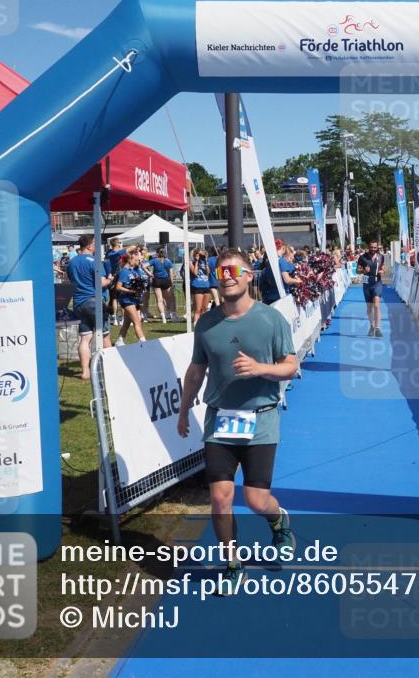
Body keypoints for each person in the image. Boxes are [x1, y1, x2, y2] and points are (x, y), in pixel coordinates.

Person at [176, 249, 298, 595]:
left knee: (258, 501)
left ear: (248, 276)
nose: (225, 276)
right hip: (220, 422)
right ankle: (232, 564)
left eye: (232, 270)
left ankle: (279, 521)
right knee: (220, 498)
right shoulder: (207, 323)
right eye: (220, 271)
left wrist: (261, 369)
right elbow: (196, 370)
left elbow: (291, 366)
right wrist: (185, 410)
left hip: (261, 419)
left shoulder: (270, 320)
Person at [67, 234, 113, 379]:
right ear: (89, 245)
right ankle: (110, 369)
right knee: (105, 335)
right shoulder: (94, 261)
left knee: (85, 338)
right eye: (94, 244)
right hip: (94, 301)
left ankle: (85, 372)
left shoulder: (71, 262)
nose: (96, 247)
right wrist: (110, 279)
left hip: (78, 303)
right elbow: (101, 283)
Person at [114, 248, 147, 346]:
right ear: (130, 260)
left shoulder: (135, 270)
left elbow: (140, 280)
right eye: (136, 260)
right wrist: (130, 291)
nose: (138, 261)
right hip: (126, 299)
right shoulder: (124, 271)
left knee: (127, 322)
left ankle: (119, 341)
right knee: (137, 321)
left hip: (134, 299)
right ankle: (143, 342)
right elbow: (118, 287)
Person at [357, 241, 385, 337]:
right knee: (369, 307)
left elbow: (382, 267)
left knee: (377, 305)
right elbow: (357, 270)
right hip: (367, 284)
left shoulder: (381, 257)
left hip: (377, 283)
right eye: (371, 247)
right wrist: (364, 270)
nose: (373, 249)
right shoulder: (362, 257)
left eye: (375, 247)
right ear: (368, 247)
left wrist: (382, 271)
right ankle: (371, 326)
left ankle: (377, 328)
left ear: (377, 247)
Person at [148, 247, 175, 323]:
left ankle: (163, 318)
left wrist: (149, 273)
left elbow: (143, 266)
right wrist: (171, 283)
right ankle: (169, 314)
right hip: (166, 280)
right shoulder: (168, 261)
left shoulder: (154, 260)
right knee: (168, 299)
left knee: (159, 300)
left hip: (156, 280)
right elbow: (171, 273)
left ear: (157, 253)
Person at [105, 238, 126, 326]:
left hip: (113, 276)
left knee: (114, 298)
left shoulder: (108, 252)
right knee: (119, 298)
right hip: (117, 276)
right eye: (119, 243)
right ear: (117, 244)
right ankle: (120, 318)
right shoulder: (116, 253)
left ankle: (116, 318)